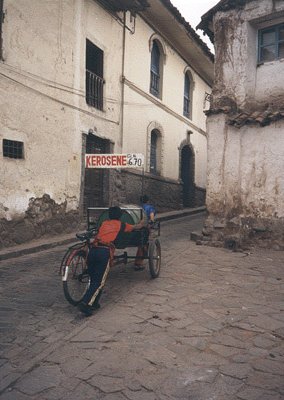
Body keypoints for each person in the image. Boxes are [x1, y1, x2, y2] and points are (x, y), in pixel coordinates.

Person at [78, 206, 145, 316]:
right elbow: (136, 227)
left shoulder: (104, 223)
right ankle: (85, 303)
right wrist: (142, 222)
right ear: (120, 216)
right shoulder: (122, 225)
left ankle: (95, 302)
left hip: (93, 251)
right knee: (99, 281)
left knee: (95, 277)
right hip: (103, 253)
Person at [134, 194, 156, 270]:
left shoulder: (137, 208)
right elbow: (152, 216)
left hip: (135, 228)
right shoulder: (150, 207)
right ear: (148, 200)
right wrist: (152, 222)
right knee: (143, 244)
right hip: (144, 228)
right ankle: (139, 262)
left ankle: (138, 261)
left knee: (140, 244)